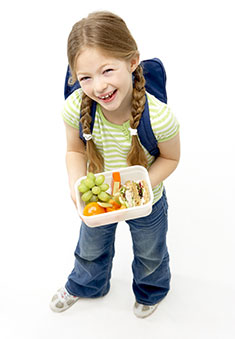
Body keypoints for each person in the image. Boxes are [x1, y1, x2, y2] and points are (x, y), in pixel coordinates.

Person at [50, 11, 180, 318]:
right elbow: (74, 150)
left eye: (107, 70)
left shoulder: (159, 116)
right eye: (86, 77)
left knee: (151, 254)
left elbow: (171, 158)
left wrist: (141, 185)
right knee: (90, 248)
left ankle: (151, 290)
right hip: (99, 199)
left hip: (147, 199)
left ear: (132, 62)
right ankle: (86, 285)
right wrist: (75, 184)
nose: (98, 86)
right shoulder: (74, 107)